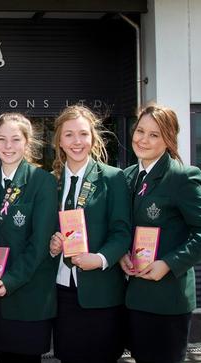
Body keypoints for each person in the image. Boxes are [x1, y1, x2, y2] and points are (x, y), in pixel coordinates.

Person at [119, 104, 201, 363]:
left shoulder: (182, 177)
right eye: (140, 131)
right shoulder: (128, 177)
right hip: (133, 298)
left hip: (167, 300)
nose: (143, 139)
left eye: (154, 134)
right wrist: (121, 253)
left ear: (168, 139)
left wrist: (168, 263)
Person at [48, 105, 131, 363]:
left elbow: (122, 232)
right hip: (62, 291)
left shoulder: (112, 178)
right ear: (59, 140)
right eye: (69, 134)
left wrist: (101, 258)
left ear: (92, 138)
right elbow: (43, 229)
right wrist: (51, 244)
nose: (77, 141)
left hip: (101, 293)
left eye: (83, 134)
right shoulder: (51, 182)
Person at [0, 112, 58, 363]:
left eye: (15, 139)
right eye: (2, 139)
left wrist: (11, 280)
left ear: (27, 142)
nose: (8, 146)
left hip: (28, 293)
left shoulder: (42, 181)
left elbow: (40, 242)